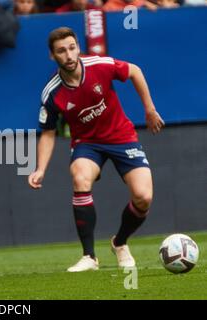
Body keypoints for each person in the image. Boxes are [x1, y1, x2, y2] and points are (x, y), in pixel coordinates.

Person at [28, 27, 164, 272]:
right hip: (87, 144)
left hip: (122, 136)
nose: (68, 55)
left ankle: (120, 243)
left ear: (78, 47)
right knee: (80, 177)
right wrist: (40, 169)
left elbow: (135, 71)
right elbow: (48, 132)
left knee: (143, 197)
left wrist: (149, 109)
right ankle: (89, 257)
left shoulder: (99, 65)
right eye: (61, 51)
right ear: (52, 56)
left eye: (71, 48)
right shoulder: (51, 93)